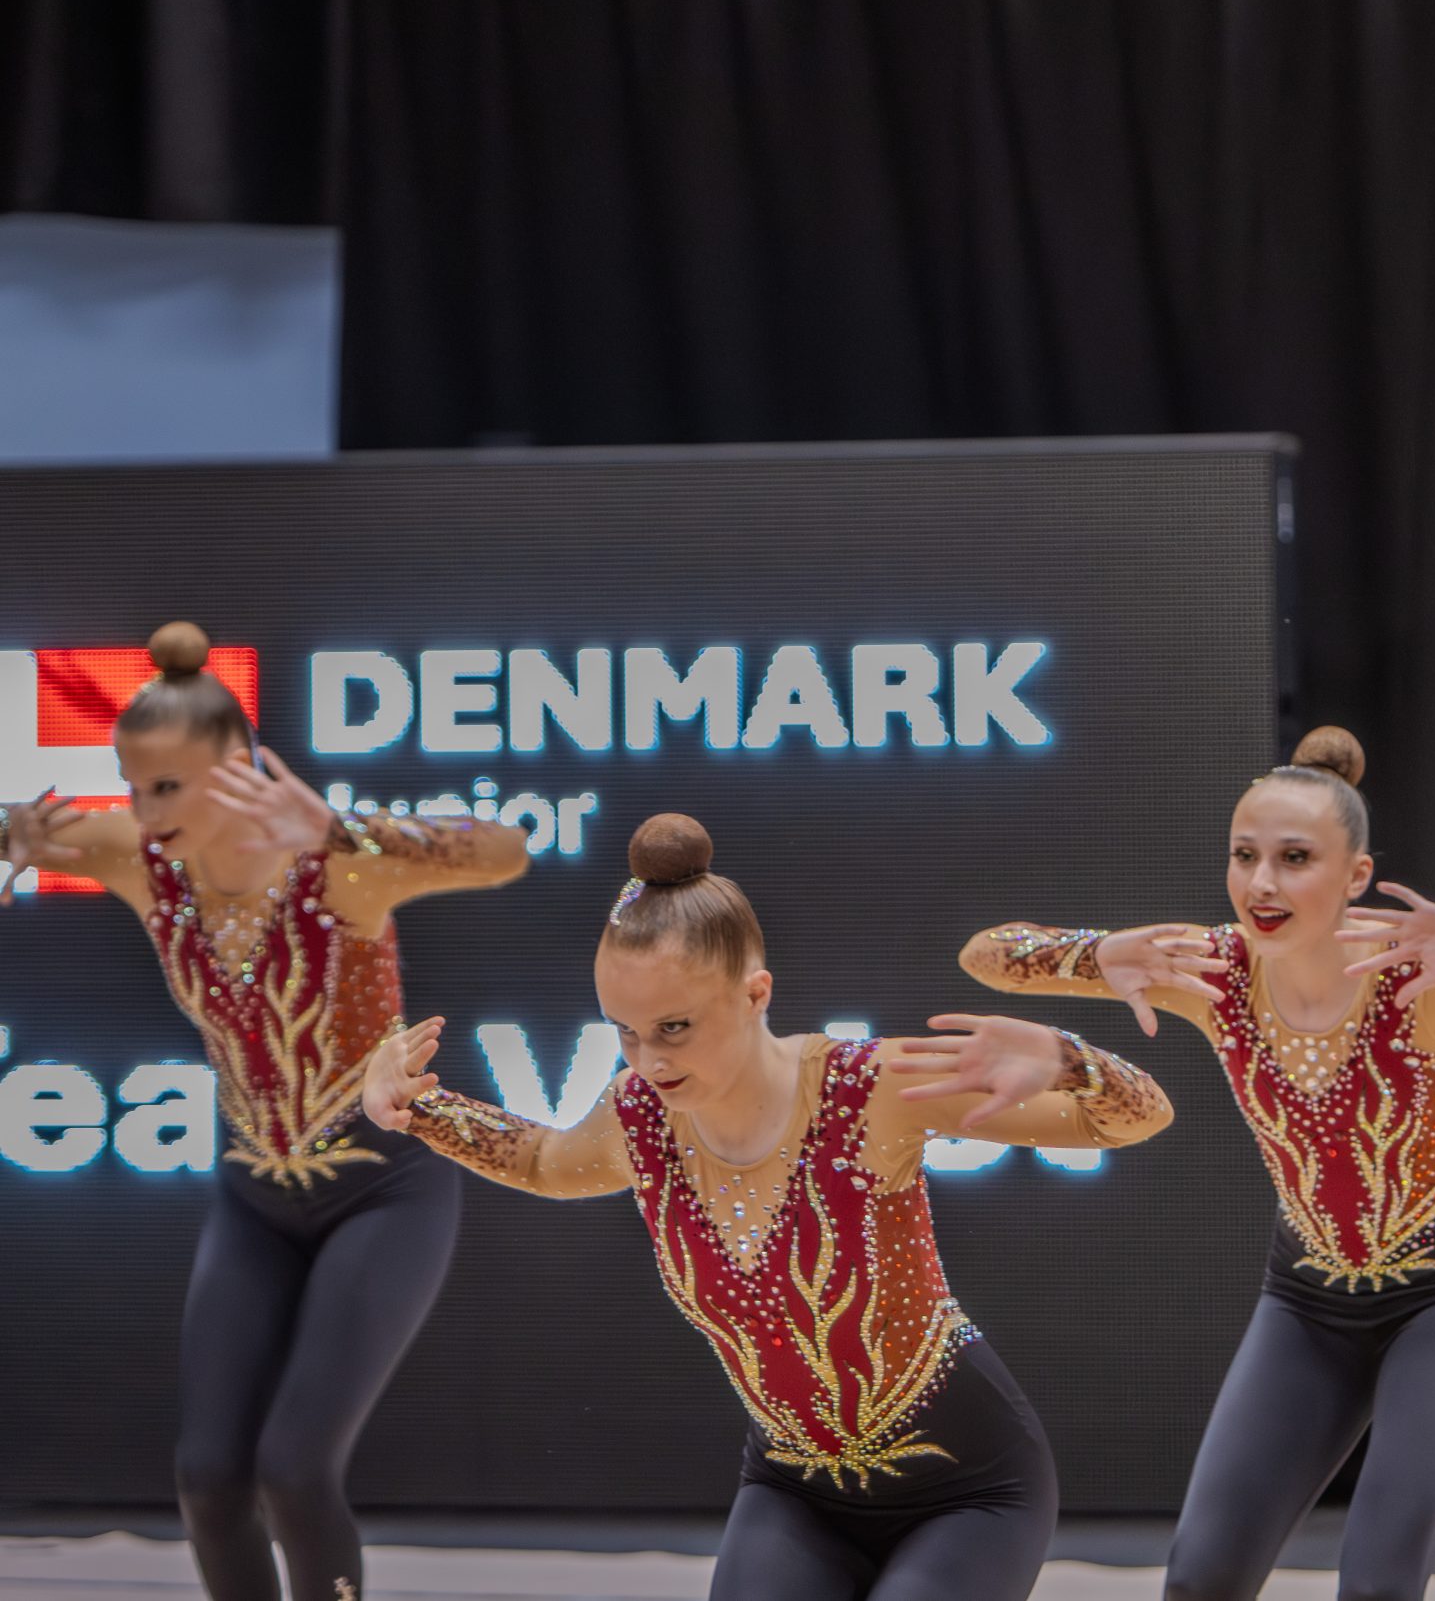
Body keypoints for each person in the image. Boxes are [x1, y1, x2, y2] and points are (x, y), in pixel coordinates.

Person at [364, 812, 1173, 1600]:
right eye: (625, 1031)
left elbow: (1139, 1117)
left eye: (674, 1026)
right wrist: (417, 1107)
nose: (649, 1059)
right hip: (795, 1492)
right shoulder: (639, 1117)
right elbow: (545, 1161)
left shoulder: (871, 1088)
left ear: (756, 993)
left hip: (971, 1490)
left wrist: (1072, 1059)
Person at [959, 726, 1435, 1601]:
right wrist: (1092, 955)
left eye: (1294, 858)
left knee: (1376, 1588)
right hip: (1308, 1300)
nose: (1261, 882)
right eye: (1244, 855)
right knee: (1200, 1583)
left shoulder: (1422, 971)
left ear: (1356, 874)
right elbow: (985, 953)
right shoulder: (1210, 970)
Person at [0, 622, 529, 1601]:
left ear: (240, 769)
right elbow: (18, 828)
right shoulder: (140, 858)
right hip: (253, 1198)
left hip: (384, 1191)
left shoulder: (339, 866)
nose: (144, 811)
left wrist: (339, 827)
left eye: (168, 786)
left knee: (293, 1467)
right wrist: (18, 837)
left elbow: (506, 850)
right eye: (133, 786)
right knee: (208, 1478)